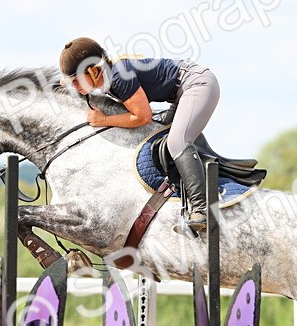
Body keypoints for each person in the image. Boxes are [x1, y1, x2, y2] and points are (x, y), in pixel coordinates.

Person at [59, 37, 219, 230]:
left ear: (94, 71)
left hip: (197, 84)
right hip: (182, 92)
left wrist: (104, 120)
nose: (75, 86)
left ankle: (202, 210)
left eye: (76, 80)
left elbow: (142, 117)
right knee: (162, 138)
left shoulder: (119, 76)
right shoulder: (110, 79)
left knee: (177, 142)